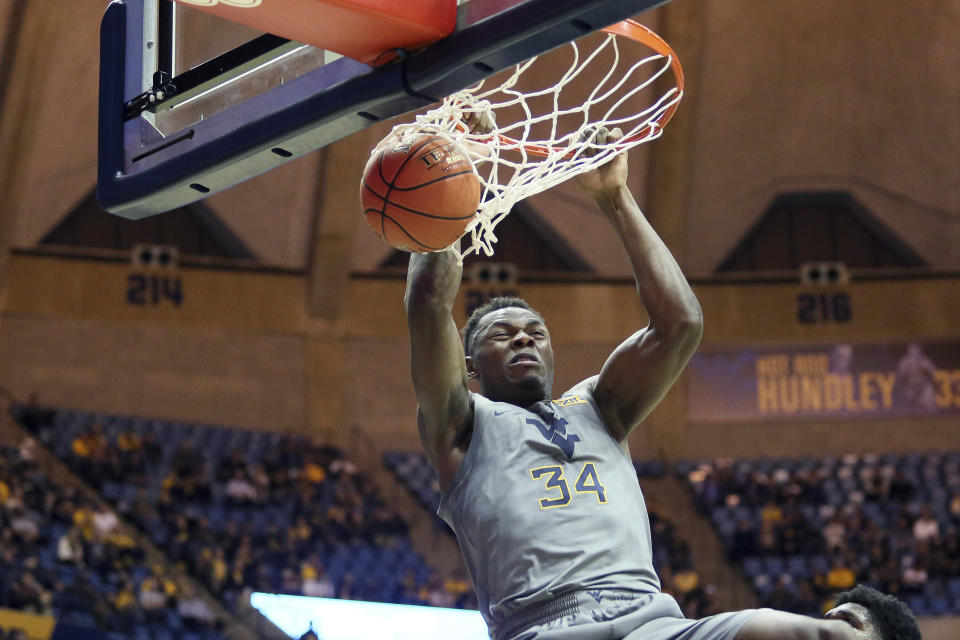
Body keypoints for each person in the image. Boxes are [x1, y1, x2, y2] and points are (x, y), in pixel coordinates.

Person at [403, 122, 922, 640]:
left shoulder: (596, 406)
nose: (523, 339)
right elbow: (428, 304)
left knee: (829, 636)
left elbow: (680, 323)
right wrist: (454, 169)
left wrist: (614, 195)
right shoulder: (461, 422)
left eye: (535, 331)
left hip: (650, 622)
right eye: (502, 335)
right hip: (541, 627)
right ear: (470, 367)